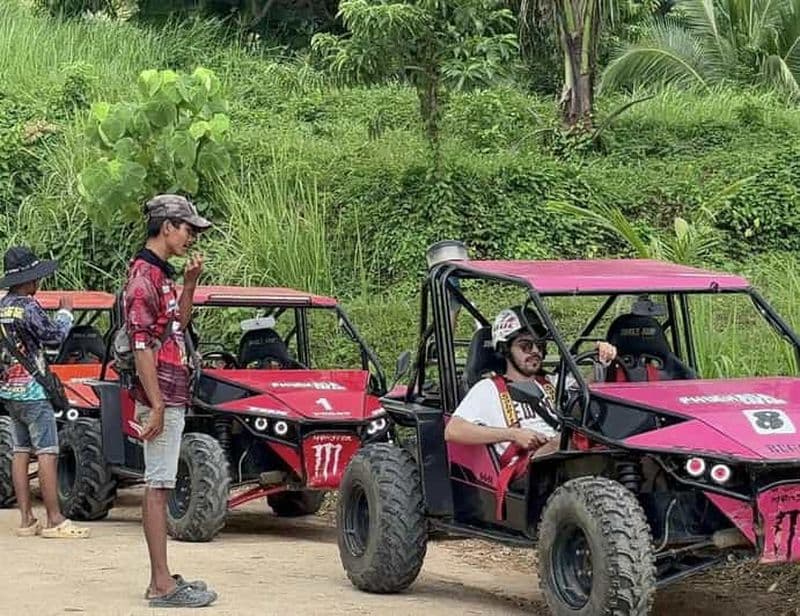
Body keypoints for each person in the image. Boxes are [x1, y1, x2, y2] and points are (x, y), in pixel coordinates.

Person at [123, 194, 217, 608]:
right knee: (158, 485)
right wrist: (157, 405)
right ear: (167, 227)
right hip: (160, 393)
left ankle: (162, 577)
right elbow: (143, 346)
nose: (191, 237)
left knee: (160, 483)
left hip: (170, 391)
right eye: (187, 229)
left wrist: (191, 285)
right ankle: (160, 583)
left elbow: (176, 324)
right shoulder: (143, 277)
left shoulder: (160, 274)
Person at [444, 305, 617, 459]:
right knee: (562, 446)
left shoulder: (552, 382)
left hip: (565, 455)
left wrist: (602, 359)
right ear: (505, 349)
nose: (535, 351)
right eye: (525, 346)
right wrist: (513, 434)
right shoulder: (488, 388)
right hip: (526, 465)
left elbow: (586, 394)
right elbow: (453, 430)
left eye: (539, 345)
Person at [0, 246, 90, 539]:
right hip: (33, 391)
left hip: (9, 392)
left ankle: (26, 519)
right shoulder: (28, 307)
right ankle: (54, 519)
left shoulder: (1, 308)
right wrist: (66, 313)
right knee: (48, 451)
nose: (38, 283)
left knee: (20, 451)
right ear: (27, 280)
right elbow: (54, 336)